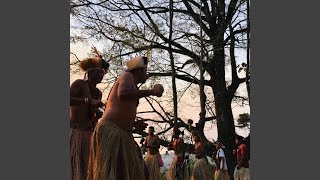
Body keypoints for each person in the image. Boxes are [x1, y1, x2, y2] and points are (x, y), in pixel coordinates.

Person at [86, 56, 164, 180]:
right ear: (138, 71)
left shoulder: (132, 84)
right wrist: (152, 91)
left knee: (141, 172)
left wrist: (133, 124)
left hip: (123, 133)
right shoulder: (127, 76)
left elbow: (122, 108)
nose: (147, 74)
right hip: (112, 131)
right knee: (118, 173)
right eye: (145, 70)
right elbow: (123, 94)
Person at [70, 56, 109, 180]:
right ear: (91, 73)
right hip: (74, 132)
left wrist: (99, 113)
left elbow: (92, 113)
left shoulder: (98, 93)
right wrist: (87, 100)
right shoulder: (79, 84)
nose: (102, 75)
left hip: (88, 135)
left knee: (86, 172)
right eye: (100, 72)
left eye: (103, 73)